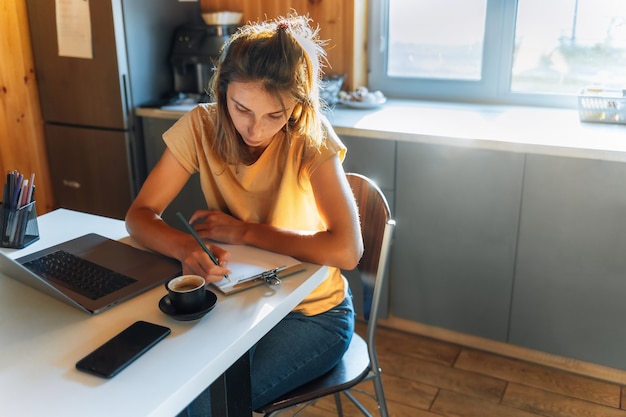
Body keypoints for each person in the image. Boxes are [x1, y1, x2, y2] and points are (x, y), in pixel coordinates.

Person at [125, 13, 364, 415]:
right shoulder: (201, 125)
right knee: (155, 391)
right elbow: (140, 215)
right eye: (242, 109)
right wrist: (185, 248)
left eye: (276, 115)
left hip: (312, 315)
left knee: (202, 407)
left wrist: (245, 232)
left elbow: (347, 251)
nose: (255, 130)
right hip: (232, 307)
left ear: (297, 106)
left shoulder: (309, 135)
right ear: (222, 93)